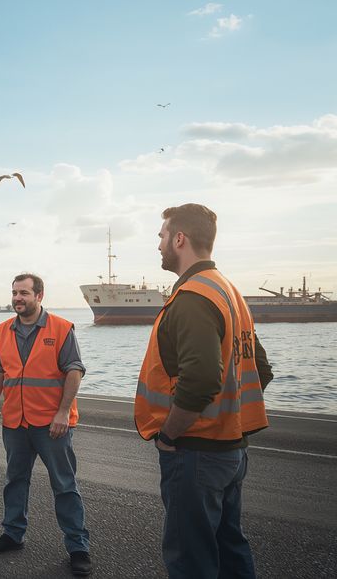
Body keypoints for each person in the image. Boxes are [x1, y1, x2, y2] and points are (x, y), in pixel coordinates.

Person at [135, 204, 272, 579]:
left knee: (190, 558)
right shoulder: (228, 292)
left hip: (195, 451)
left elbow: (202, 380)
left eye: (162, 236)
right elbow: (260, 370)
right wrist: (231, 418)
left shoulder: (193, 297)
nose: (159, 244)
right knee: (230, 549)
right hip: (230, 449)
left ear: (180, 239)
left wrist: (169, 434)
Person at [0, 273, 92, 577]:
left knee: (65, 485)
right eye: (15, 292)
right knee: (15, 480)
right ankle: (12, 534)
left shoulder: (60, 328)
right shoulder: (2, 330)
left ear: (39, 296)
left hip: (51, 423)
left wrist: (62, 412)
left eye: (24, 293)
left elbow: (74, 370)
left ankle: (78, 547)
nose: (18, 298)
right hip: (16, 421)